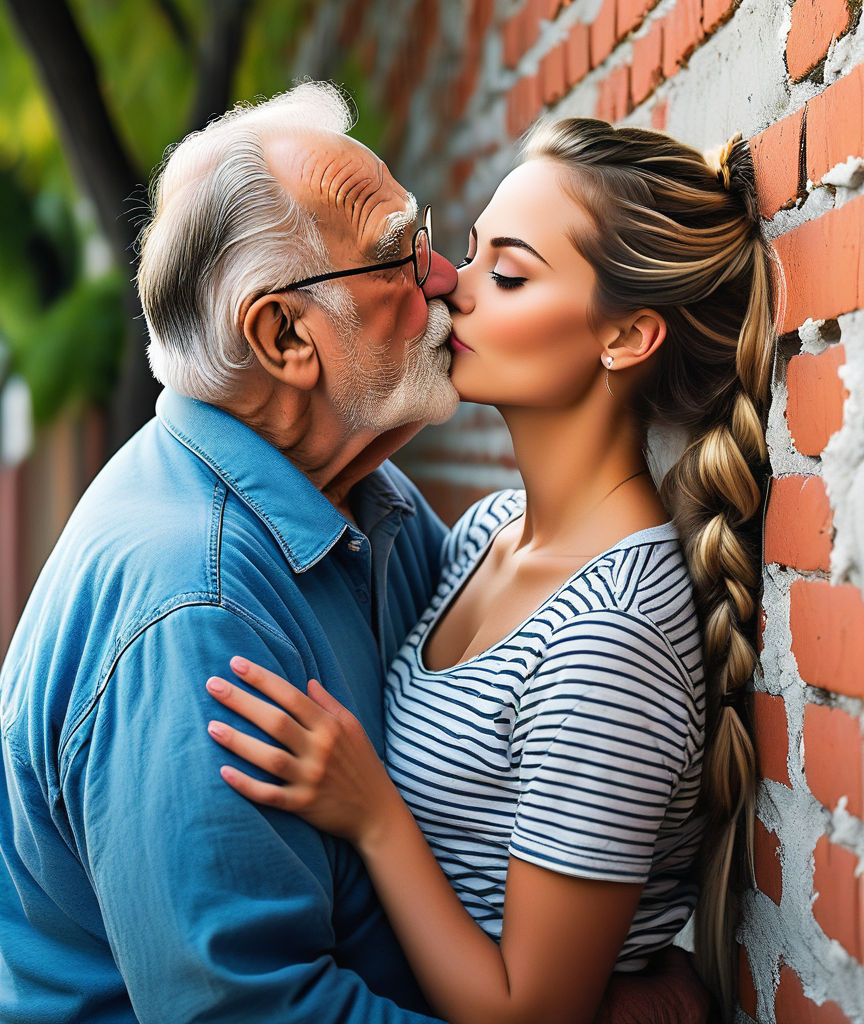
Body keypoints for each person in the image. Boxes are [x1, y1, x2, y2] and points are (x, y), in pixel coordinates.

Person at [205, 117, 778, 1023]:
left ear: (626, 336)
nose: (450, 288)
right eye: (471, 255)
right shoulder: (485, 532)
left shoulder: (610, 639)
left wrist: (373, 814)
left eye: (507, 274)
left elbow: (530, 1012)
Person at [0, 81, 464, 1022]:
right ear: (282, 335)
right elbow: (251, 1011)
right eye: (399, 253)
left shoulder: (365, 495)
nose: (445, 280)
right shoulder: (197, 608)